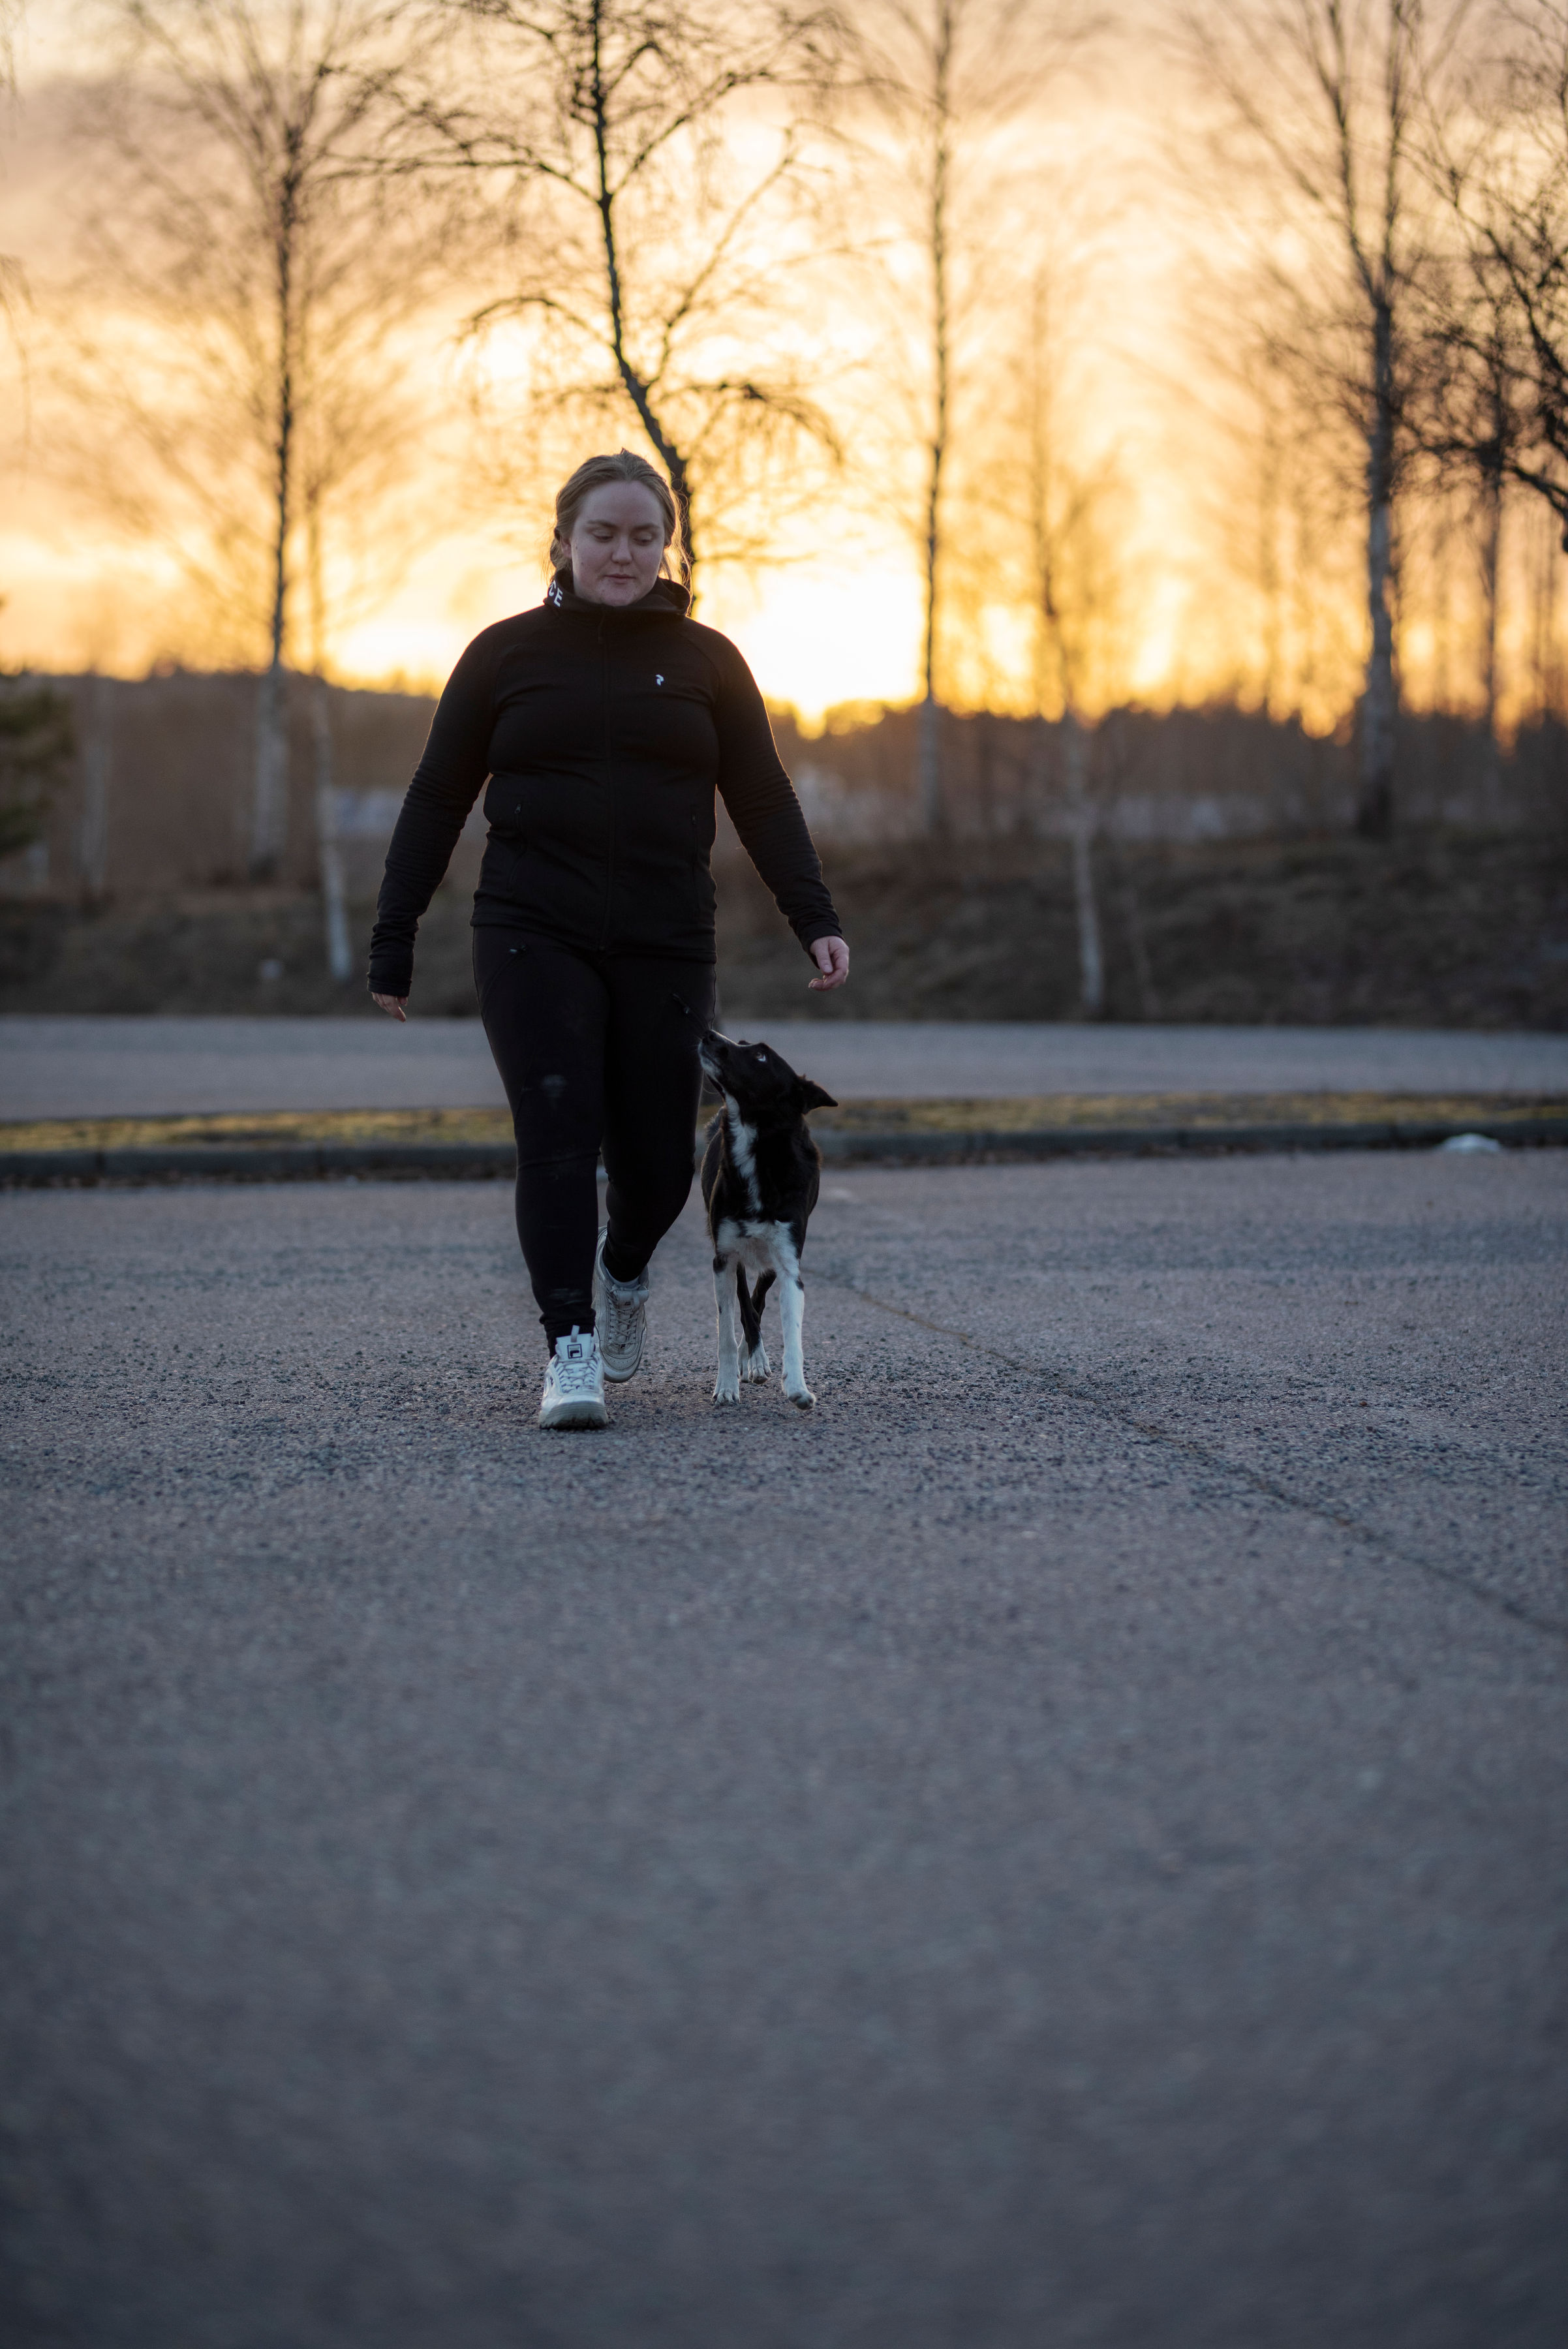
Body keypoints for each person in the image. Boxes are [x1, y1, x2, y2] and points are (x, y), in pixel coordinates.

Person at [367, 449, 850, 1430]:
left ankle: (622, 1266)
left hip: (665, 938)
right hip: (529, 930)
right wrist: (394, 932)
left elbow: (761, 795)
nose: (622, 554)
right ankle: (570, 1347)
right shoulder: (503, 655)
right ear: (563, 542)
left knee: (661, 1167)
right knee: (554, 1134)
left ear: (666, 547)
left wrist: (814, 916)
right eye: (603, 534)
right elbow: (436, 797)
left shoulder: (709, 661)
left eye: (643, 537)